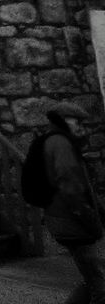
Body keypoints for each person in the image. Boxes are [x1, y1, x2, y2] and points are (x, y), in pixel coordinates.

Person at [42, 101, 105, 304]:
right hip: (73, 222)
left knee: (92, 276)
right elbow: (71, 190)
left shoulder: (57, 141)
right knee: (98, 281)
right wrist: (91, 220)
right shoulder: (60, 144)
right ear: (64, 120)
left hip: (67, 221)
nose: (80, 126)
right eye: (76, 121)